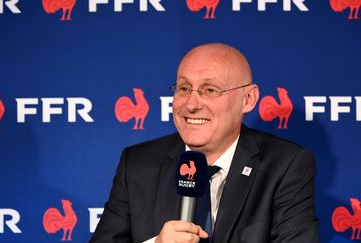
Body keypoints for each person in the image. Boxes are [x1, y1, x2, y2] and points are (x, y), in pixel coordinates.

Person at [90, 43, 319, 243]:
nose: (192, 104)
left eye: (210, 90)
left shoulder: (285, 165)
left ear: (248, 99)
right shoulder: (138, 164)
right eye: (184, 88)